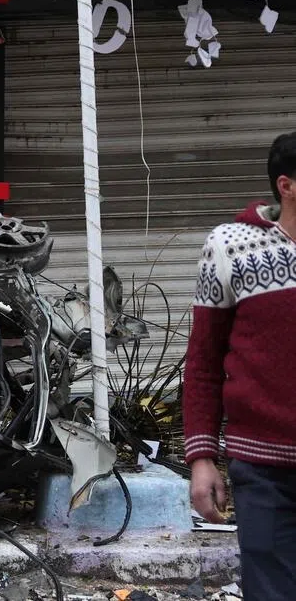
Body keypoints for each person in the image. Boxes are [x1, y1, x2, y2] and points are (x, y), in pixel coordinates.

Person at [184, 131, 296, 600]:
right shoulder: (230, 247)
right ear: (287, 186)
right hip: (265, 470)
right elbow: (204, 362)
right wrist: (201, 458)